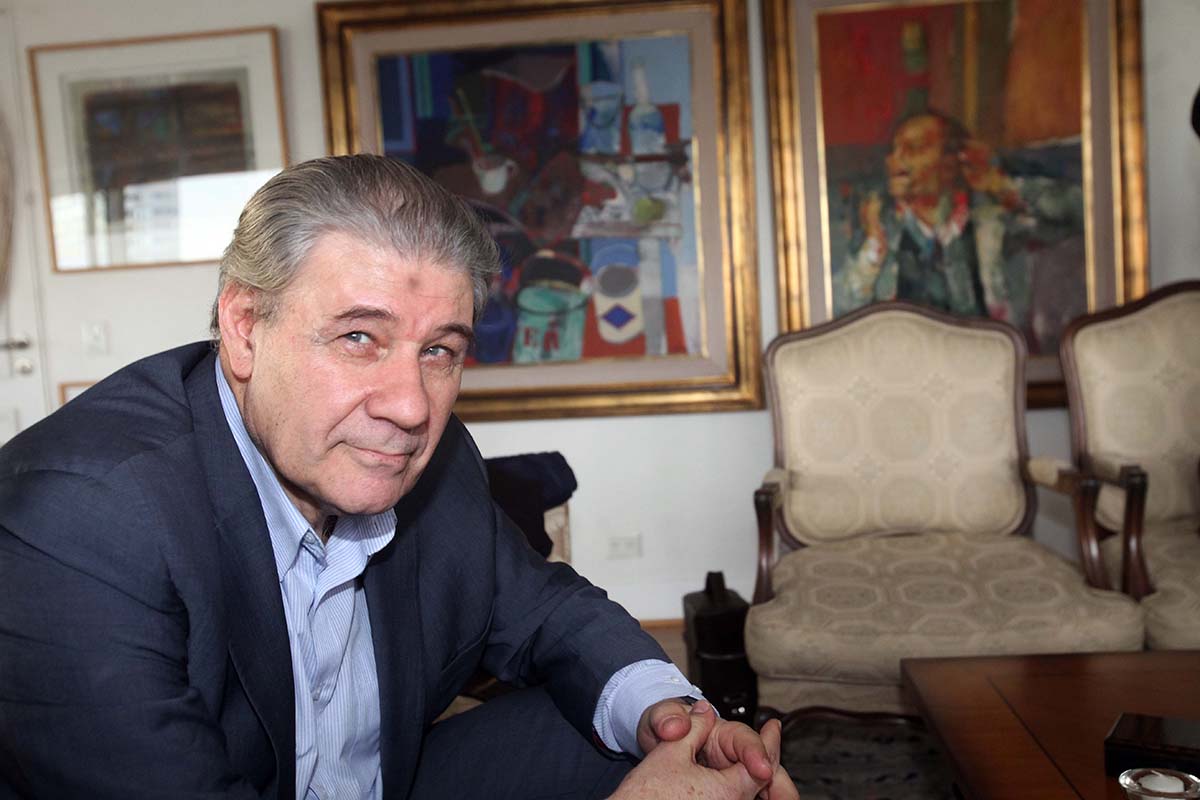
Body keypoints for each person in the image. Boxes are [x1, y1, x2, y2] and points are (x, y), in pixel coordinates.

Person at [0, 154, 797, 800]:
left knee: (641, 747)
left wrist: (671, 717)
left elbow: (546, 610)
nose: (412, 407)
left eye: (439, 350)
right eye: (359, 338)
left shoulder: (431, 463)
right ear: (244, 327)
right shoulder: (82, 519)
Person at [834, 108, 1084, 342]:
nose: (895, 159)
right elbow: (840, 313)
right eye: (894, 149)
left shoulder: (994, 221)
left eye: (915, 148)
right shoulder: (878, 225)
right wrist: (873, 248)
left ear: (952, 161)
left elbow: (1083, 213)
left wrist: (1001, 186)